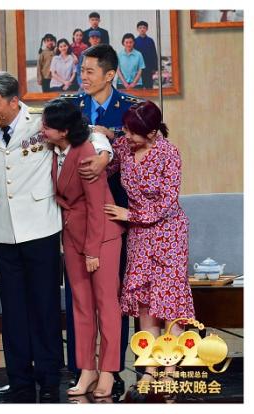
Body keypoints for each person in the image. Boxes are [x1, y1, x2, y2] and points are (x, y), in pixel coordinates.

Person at [0, 71, 112, 403]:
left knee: (45, 307)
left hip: (42, 229)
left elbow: (92, 133)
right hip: (4, 233)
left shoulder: (40, 123)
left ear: (13, 101)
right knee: (13, 311)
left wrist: (105, 155)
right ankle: (18, 379)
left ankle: (49, 377)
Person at [63, 43, 142, 394]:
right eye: (82, 70)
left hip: (117, 217)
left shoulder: (132, 109)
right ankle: (82, 368)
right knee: (79, 297)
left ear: (110, 75)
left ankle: (113, 368)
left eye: (90, 71)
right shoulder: (71, 108)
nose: (83, 76)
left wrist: (112, 144)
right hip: (78, 217)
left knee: (113, 296)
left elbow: (145, 149)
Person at [104, 101, 194, 383]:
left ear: (153, 132)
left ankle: (170, 370)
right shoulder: (124, 148)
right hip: (140, 237)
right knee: (144, 303)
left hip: (169, 234)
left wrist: (130, 214)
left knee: (169, 302)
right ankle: (150, 368)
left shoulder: (169, 154)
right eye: (126, 130)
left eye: (133, 132)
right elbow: (105, 166)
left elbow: (167, 202)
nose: (127, 136)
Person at [42, 99, 123, 398]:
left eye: (47, 126)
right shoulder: (54, 150)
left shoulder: (87, 153)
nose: (42, 129)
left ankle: (108, 371)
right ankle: (87, 369)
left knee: (107, 306)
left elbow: (96, 206)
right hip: (72, 236)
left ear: (64, 131)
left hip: (100, 238)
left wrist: (92, 251)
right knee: (81, 306)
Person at [134, 21, 158, 90]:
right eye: (140, 28)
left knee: (149, 86)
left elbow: (154, 54)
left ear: (147, 29)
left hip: (149, 67)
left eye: (144, 28)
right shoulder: (135, 41)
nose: (142, 29)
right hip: (139, 68)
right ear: (137, 29)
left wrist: (155, 67)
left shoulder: (150, 40)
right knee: (139, 87)